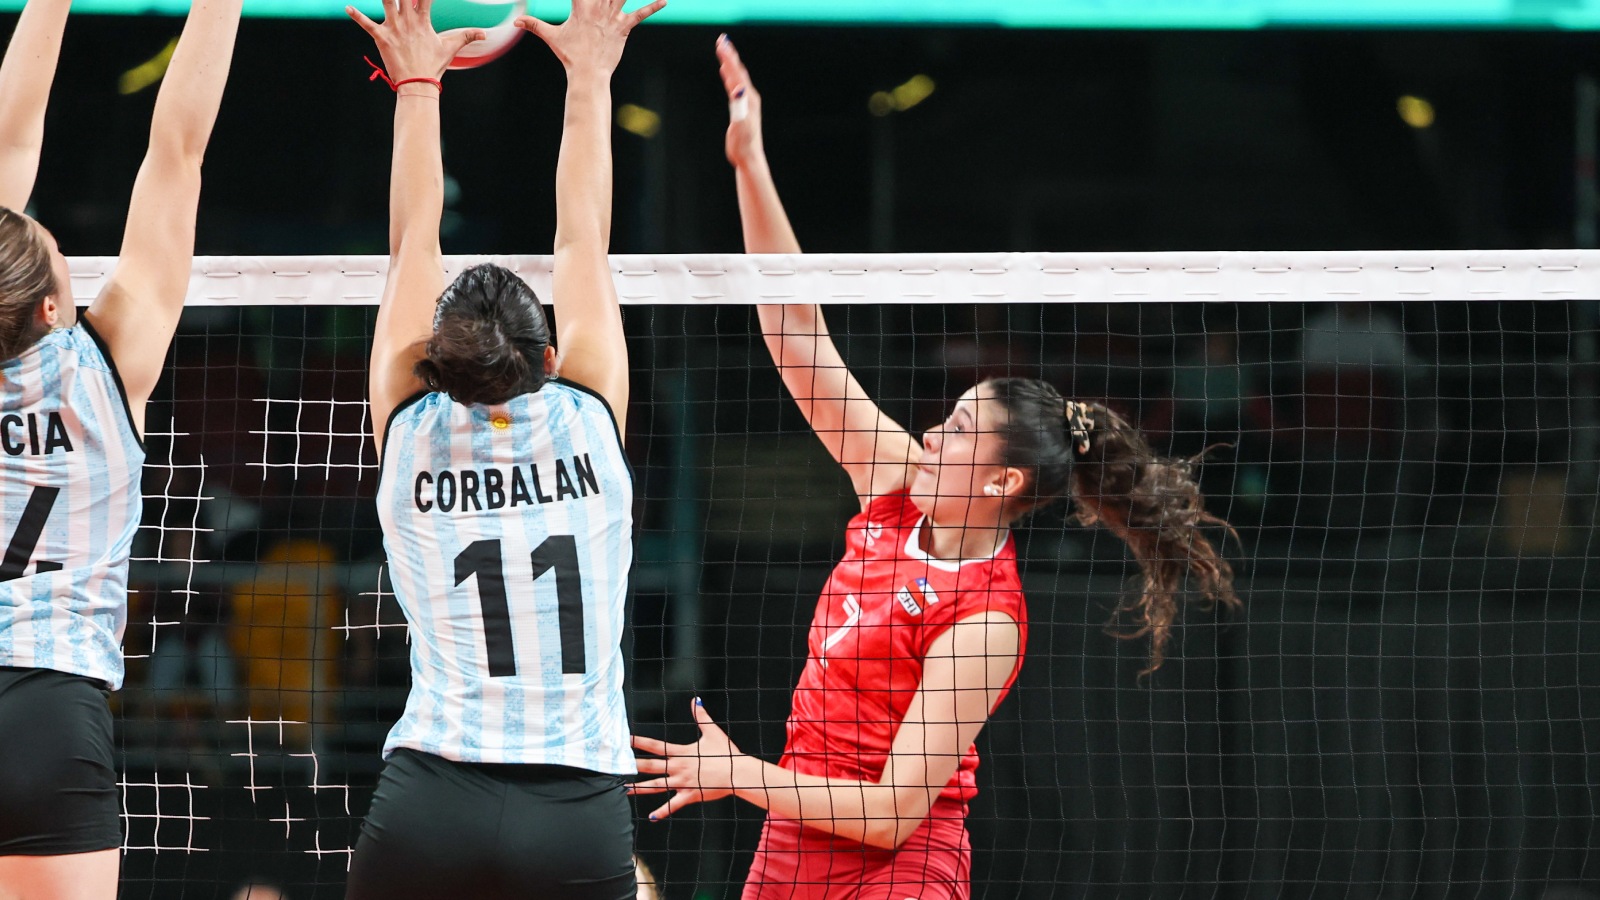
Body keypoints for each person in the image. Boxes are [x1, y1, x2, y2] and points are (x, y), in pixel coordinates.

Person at [627, 38, 1242, 900]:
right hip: (789, 852)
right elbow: (797, 335)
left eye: (958, 429)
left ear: (1002, 482)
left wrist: (738, 774)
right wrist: (751, 164)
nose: (933, 433)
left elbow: (891, 811)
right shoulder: (894, 491)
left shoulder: (988, 619)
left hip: (896, 873)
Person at [341, 0, 663, 896]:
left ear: (436, 364)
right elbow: (582, 237)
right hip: (575, 811)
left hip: (430, 799)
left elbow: (414, 239)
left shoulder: (410, 426)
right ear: (547, 357)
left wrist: (415, 84)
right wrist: (592, 74)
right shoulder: (591, 417)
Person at [0, 0, 241, 894]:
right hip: (51, 718)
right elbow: (177, 153)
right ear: (53, 308)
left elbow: (10, 142)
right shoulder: (107, 365)